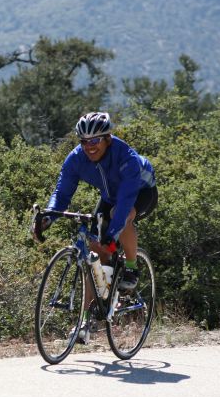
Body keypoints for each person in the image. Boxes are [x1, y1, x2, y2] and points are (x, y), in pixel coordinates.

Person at [33, 111, 158, 291]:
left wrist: (112, 234)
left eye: (94, 141)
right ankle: (91, 316)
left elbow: (124, 202)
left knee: (119, 216)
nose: (89, 146)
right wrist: (49, 216)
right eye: (84, 141)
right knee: (95, 253)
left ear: (107, 138)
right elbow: (62, 193)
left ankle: (131, 267)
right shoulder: (76, 159)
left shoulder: (125, 157)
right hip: (110, 197)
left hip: (141, 193)